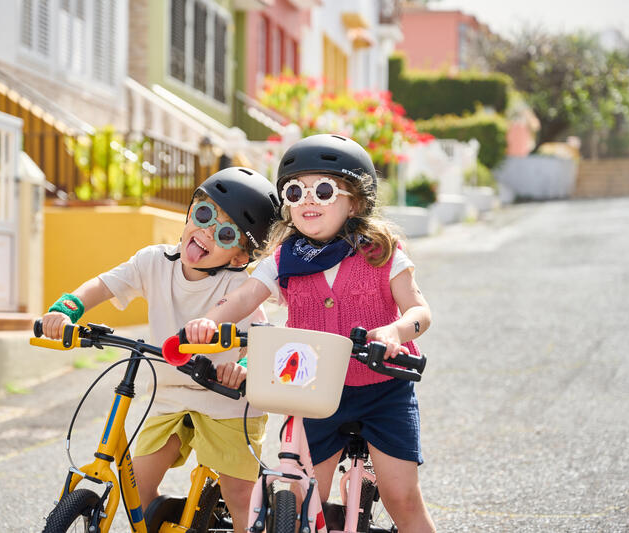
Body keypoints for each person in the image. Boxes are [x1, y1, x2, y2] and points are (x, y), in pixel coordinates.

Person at [184, 135, 436, 532]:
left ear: (353, 201)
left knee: (401, 496)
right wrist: (211, 321)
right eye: (295, 191)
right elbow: (245, 297)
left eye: (323, 190)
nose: (307, 200)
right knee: (301, 497)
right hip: (313, 393)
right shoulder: (285, 257)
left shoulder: (378, 250)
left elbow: (420, 312)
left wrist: (394, 331)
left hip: (383, 389)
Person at [40, 167, 280, 533]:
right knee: (137, 481)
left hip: (224, 401)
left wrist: (243, 366)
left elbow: (258, 337)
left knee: (239, 495)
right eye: (203, 215)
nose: (207, 233)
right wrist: (67, 308)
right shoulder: (153, 262)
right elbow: (104, 286)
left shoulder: (239, 287)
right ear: (190, 212)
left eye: (226, 234)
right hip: (168, 396)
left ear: (237, 258)